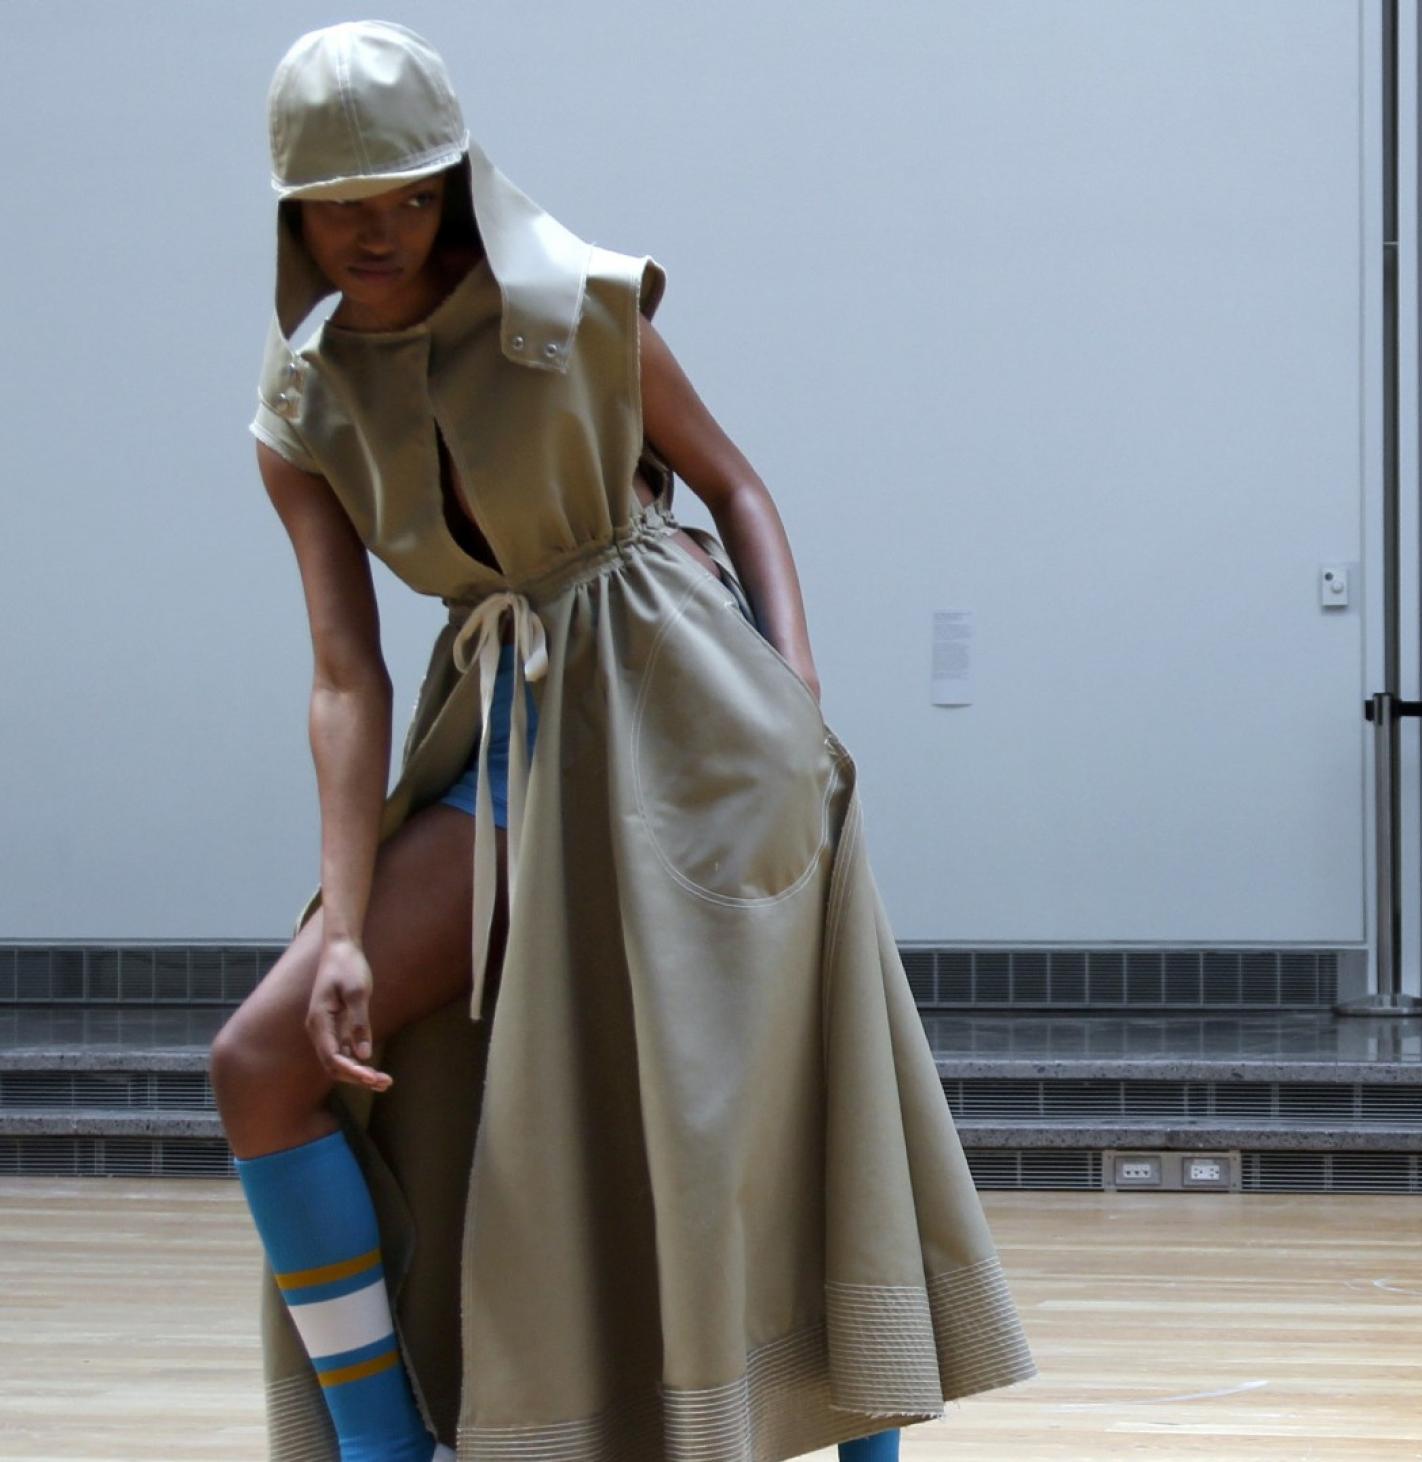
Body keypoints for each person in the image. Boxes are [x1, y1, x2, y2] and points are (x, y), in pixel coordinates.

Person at [207, 23, 1032, 1460]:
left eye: (409, 191)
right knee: (267, 1058)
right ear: (292, 207)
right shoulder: (304, 408)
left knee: (753, 1102)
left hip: (694, 714)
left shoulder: (580, 305)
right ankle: (387, 1446)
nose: (379, 227)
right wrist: (342, 923)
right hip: (515, 732)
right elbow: (347, 677)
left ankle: (854, 1430)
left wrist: (803, 717)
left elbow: (738, 487)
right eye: (345, 199)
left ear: (459, 184)